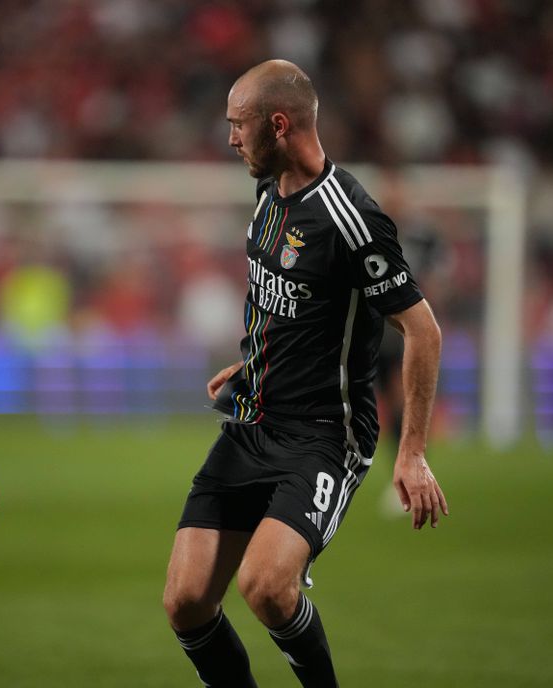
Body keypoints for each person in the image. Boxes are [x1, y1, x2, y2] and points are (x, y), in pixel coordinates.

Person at [162, 59, 448, 687]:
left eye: (239, 124)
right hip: (252, 424)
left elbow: (422, 330)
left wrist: (412, 453)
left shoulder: (353, 220)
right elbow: (288, 297)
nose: (230, 138)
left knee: (266, 587)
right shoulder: (268, 193)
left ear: (278, 124)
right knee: (185, 602)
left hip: (323, 436)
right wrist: (255, 360)